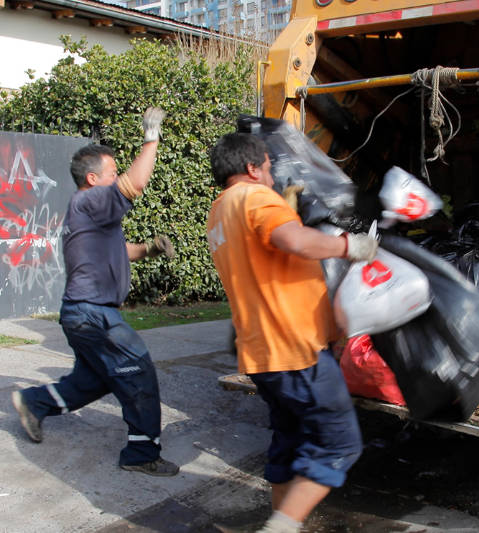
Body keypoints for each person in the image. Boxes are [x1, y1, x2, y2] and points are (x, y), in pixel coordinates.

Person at [206, 132, 376, 533]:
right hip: (296, 350)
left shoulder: (218, 213)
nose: (270, 175)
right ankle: (280, 528)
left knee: (290, 444)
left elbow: (266, 254)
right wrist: (350, 246)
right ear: (251, 168)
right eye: (267, 167)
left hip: (261, 356)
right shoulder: (255, 198)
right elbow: (293, 240)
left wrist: (285, 210)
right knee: (340, 445)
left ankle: (283, 523)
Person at [11, 107, 180, 476]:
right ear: (92, 178)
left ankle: (34, 402)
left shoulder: (91, 214)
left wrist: (147, 249)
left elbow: (119, 250)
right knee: (138, 373)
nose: (117, 176)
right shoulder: (90, 201)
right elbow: (134, 184)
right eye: (111, 172)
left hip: (82, 313)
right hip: (94, 314)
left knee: (91, 381)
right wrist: (151, 136)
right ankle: (141, 454)